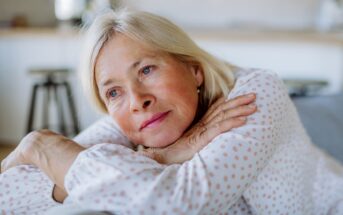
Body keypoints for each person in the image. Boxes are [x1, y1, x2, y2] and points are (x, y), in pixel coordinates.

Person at [1, 8, 343, 215]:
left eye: (147, 69)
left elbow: (180, 204)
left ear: (193, 69)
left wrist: (49, 150)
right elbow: (8, 192)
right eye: (114, 92)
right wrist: (162, 157)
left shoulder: (256, 93)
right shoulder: (133, 116)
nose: (136, 99)